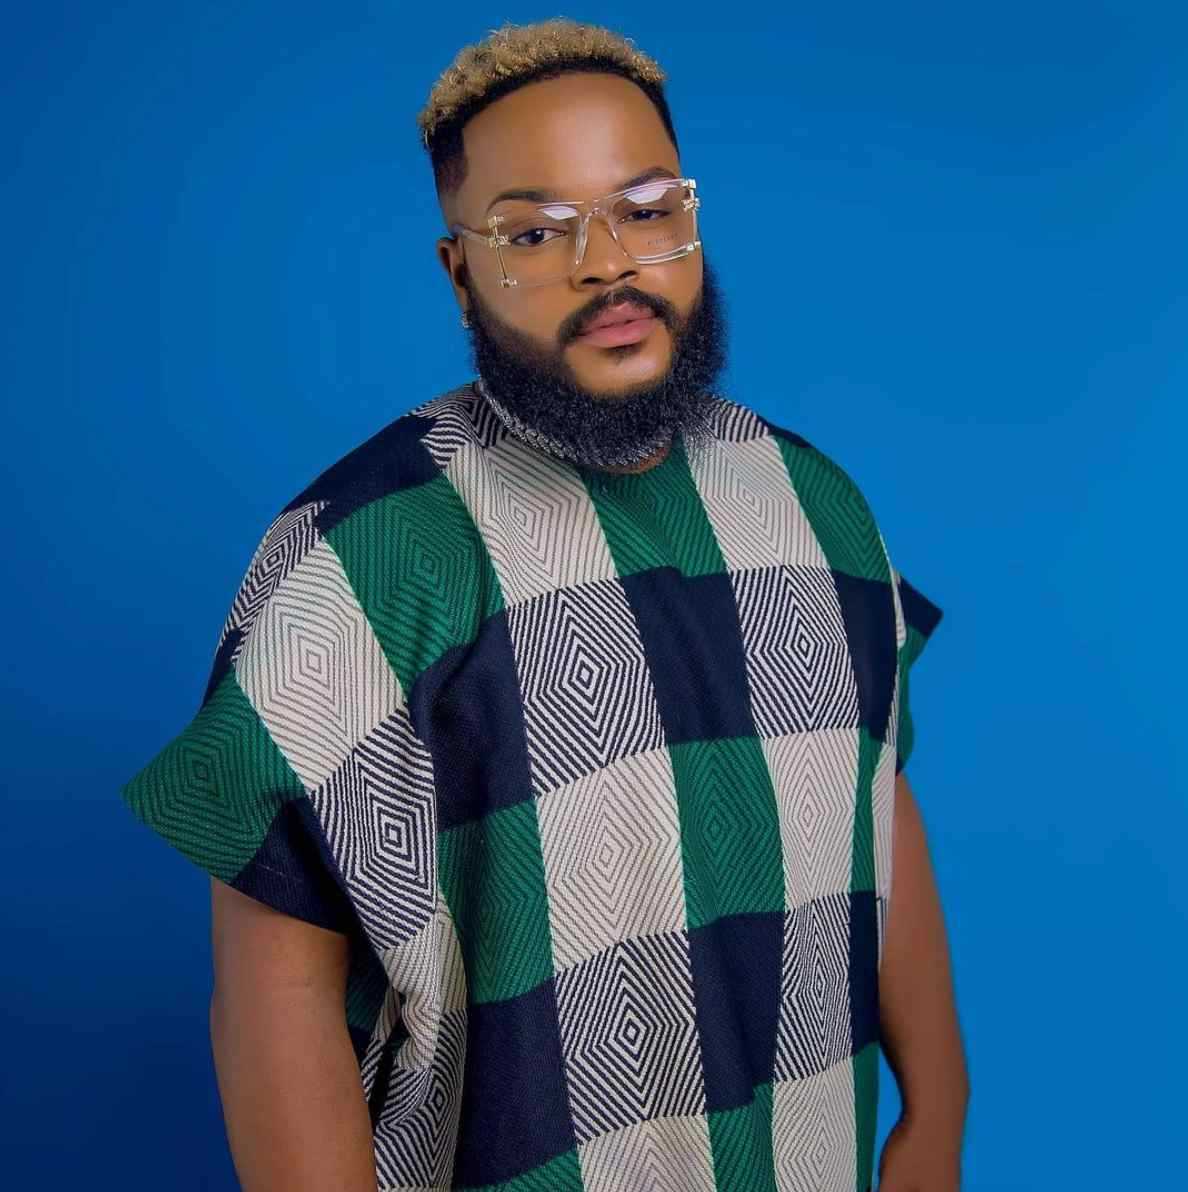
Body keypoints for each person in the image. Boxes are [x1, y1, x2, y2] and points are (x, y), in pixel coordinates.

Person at [120, 17, 968, 1191]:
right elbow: (276, 984)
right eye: (534, 231)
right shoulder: (367, 555)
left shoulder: (818, 504)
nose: (608, 263)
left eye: (646, 208)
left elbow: (878, 799)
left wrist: (937, 1108)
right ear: (458, 271)